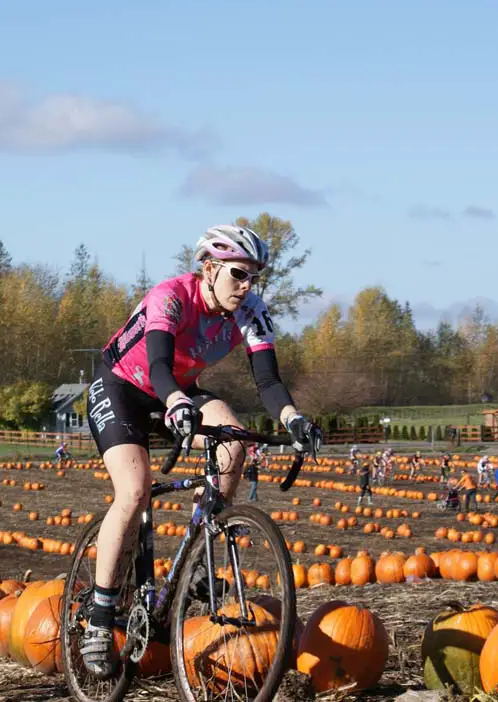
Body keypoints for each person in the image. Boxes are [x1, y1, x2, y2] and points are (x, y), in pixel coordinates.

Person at [81, 223, 321, 678]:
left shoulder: (251, 311)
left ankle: (201, 543)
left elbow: (267, 381)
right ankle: (99, 614)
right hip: (123, 387)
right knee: (134, 491)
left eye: (254, 277)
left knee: (233, 440)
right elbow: (157, 364)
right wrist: (174, 402)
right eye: (238, 274)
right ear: (209, 269)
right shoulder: (170, 296)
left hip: (180, 390)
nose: (247, 286)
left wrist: (292, 418)